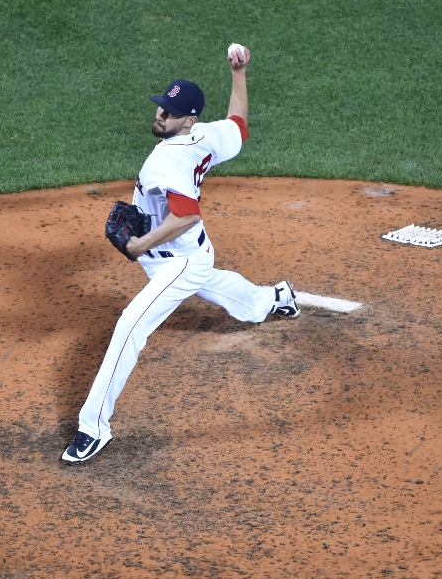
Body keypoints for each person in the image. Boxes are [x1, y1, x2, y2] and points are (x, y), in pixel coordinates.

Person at [62, 45, 300, 465]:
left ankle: (93, 426)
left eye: (168, 113)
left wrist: (137, 245)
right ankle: (274, 298)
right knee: (213, 281)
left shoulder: (166, 161)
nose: (159, 115)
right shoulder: (205, 134)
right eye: (160, 108)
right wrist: (239, 73)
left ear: (186, 120)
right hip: (186, 253)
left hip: (179, 259)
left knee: (129, 327)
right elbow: (240, 125)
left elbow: (188, 216)